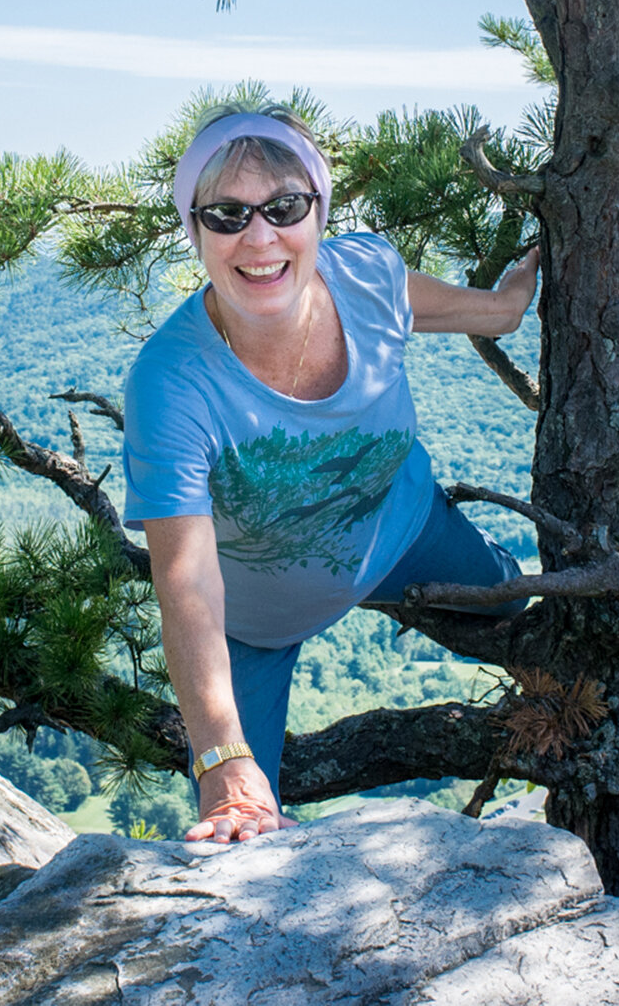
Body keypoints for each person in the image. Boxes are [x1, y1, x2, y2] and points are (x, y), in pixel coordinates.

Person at [122, 105, 541, 843]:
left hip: (408, 532)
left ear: (318, 211)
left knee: (518, 608)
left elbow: (482, 314)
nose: (259, 236)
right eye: (226, 213)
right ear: (196, 230)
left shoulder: (365, 275)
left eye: (284, 206)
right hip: (253, 625)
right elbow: (185, 582)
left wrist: (512, 300)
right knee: (243, 830)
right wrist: (221, 756)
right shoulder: (171, 382)